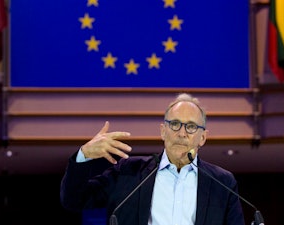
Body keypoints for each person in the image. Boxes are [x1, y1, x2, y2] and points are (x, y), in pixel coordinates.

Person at [60, 93, 245, 225]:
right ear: (163, 131)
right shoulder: (128, 173)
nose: (181, 133)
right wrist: (84, 155)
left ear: (202, 137)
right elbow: (74, 200)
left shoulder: (222, 183)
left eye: (190, 126)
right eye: (174, 124)